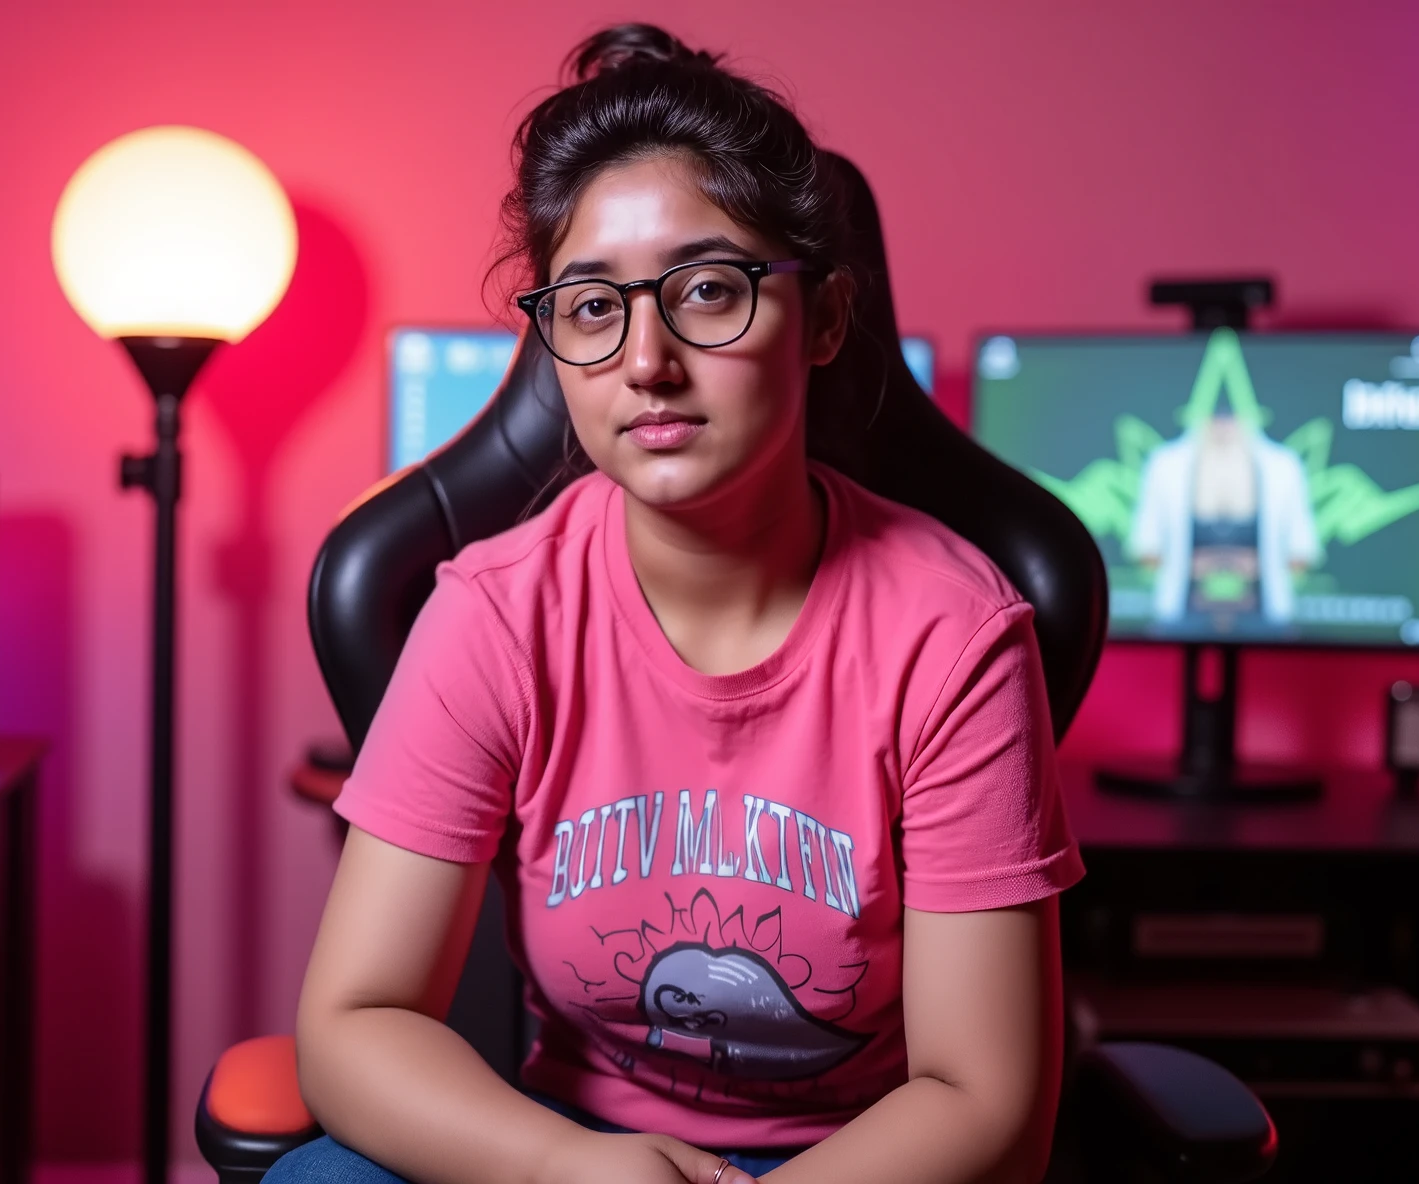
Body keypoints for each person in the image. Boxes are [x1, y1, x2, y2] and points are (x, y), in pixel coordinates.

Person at [272, 24, 1082, 1184]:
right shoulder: (497, 612)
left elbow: (982, 1100)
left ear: (826, 321)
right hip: (578, 1153)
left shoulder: (950, 635)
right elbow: (353, 1025)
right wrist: (560, 1165)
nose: (646, 359)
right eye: (593, 307)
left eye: (708, 290)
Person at [1130, 397, 1321, 633]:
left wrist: (1247, 565)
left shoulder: (1282, 466)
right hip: (1183, 615)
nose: (1224, 426)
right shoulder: (1166, 465)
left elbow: (1301, 552)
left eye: (1231, 418)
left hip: (1263, 618)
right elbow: (1146, 549)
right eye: (1216, 418)